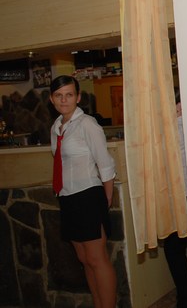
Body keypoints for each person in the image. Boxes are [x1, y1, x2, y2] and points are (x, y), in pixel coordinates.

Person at [49, 75, 117, 308]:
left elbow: (105, 163)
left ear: (78, 97)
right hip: (67, 196)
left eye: (69, 95)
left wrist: (106, 199)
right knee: (84, 259)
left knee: (97, 259)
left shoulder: (87, 123)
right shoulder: (56, 127)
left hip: (88, 194)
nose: (64, 100)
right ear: (51, 99)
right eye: (59, 95)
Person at [162, 90, 187, 308]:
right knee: (180, 248)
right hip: (179, 194)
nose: (179, 112)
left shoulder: (181, 125)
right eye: (177, 107)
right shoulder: (171, 126)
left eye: (182, 108)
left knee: (182, 248)